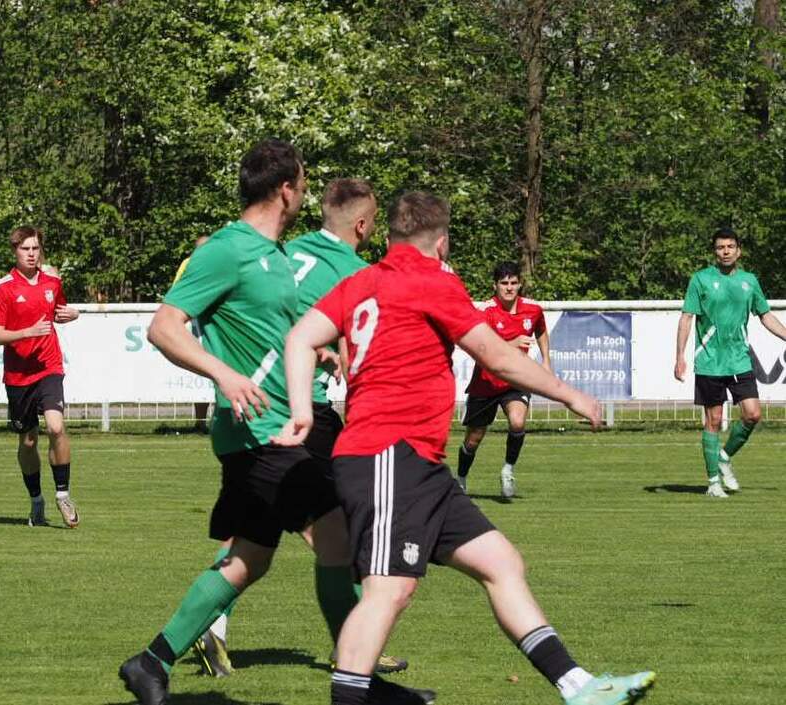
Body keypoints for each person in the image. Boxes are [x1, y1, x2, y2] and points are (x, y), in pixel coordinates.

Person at [274, 191, 656, 705]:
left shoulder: (360, 281)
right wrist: (568, 393)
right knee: (389, 589)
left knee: (500, 562)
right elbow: (497, 357)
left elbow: (299, 338)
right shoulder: (433, 280)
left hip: (417, 463)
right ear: (442, 242)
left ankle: (579, 688)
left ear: (389, 237)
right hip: (387, 454)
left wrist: (302, 409)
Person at [118, 142, 431, 705]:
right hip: (259, 432)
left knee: (249, 558)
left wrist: (318, 353)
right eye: (303, 182)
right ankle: (359, 683)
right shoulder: (227, 249)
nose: (306, 192)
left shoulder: (276, 253)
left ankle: (151, 663)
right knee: (335, 538)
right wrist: (224, 374)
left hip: (275, 427)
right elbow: (164, 327)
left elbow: (273, 333)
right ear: (286, 189)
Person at [191, 178, 408, 678]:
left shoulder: (288, 250)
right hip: (305, 409)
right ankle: (353, 646)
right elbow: (358, 355)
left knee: (258, 528)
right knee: (335, 526)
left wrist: (315, 348)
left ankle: (210, 625)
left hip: (261, 408)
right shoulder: (356, 271)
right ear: (362, 225)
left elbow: (276, 313)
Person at [675, 227, 786, 498]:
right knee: (713, 420)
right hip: (710, 362)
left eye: (730, 247)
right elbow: (687, 318)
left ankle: (724, 457)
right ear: (715, 252)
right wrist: (679, 356)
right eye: (720, 247)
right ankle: (713, 483)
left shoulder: (749, 281)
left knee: (753, 414)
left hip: (739, 360)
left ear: (738, 251)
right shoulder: (701, 279)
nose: (725, 251)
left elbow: (765, 315)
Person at [0, 226, 80, 528]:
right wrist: (27, 332)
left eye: (35, 248)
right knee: (28, 441)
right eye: (25, 249)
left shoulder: (53, 281)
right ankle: (36, 500)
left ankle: (63, 494)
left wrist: (73, 314)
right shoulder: (3, 288)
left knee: (56, 426)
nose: (31, 254)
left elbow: (59, 312)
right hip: (18, 375)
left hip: (49, 366)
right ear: (14, 251)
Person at [456, 261, 550, 498]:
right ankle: (461, 478)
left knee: (518, 422)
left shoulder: (533, 310)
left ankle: (508, 470)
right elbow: (480, 348)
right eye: (504, 283)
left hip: (515, 380)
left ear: (520, 284)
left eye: (513, 283)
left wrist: (546, 361)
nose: (509, 288)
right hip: (486, 382)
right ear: (495, 285)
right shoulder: (485, 312)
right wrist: (512, 344)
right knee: (473, 440)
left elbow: (540, 330)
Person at [172, 235, 212, 430]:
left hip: (216, 325)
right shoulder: (187, 264)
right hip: (194, 324)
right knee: (202, 373)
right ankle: (201, 422)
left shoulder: (223, 262)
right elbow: (175, 292)